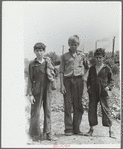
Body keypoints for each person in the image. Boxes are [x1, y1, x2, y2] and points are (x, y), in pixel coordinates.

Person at [26, 42, 57, 141]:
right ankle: (35, 134)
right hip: (37, 90)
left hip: (47, 90)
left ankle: (48, 133)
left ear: (44, 51)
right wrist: (30, 94)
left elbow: (55, 73)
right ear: (34, 52)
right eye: (37, 50)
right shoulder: (32, 64)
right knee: (35, 112)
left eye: (41, 50)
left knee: (47, 111)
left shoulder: (48, 62)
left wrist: (52, 71)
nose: (39, 53)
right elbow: (30, 80)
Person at [59, 35, 89, 136]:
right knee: (67, 105)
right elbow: (61, 71)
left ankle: (76, 129)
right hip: (67, 82)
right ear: (69, 44)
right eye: (72, 44)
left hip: (78, 81)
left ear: (78, 45)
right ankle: (68, 129)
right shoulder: (64, 56)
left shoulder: (82, 56)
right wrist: (61, 85)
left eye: (75, 45)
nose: (73, 46)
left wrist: (84, 77)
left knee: (78, 104)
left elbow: (87, 67)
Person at [84, 48, 115, 137]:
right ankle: (91, 129)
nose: (98, 59)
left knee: (106, 110)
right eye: (97, 57)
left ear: (104, 57)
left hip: (103, 93)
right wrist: (89, 88)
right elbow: (88, 80)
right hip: (93, 92)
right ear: (95, 57)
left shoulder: (107, 69)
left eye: (100, 57)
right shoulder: (92, 68)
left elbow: (112, 81)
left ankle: (110, 131)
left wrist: (108, 88)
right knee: (91, 110)